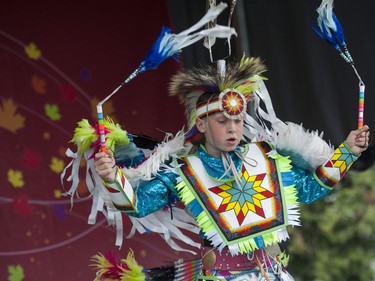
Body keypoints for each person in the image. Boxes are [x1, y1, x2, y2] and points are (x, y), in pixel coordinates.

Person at [81, 57, 370, 281]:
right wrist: (112, 177)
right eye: (222, 122)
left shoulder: (265, 158)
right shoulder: (184, 171)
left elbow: (310, 188)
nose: (233, 129)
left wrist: (347, 152)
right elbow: (138, 205)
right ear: (203, 124)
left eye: (238, 121)